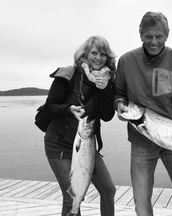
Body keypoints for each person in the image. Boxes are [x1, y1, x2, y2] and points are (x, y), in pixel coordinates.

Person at [114, 12, 172, 216]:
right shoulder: (126, 61)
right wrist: (119, 104)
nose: (154, 42)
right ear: (141, 34)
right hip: (141, 140)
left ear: (166, 36)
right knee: (141, 203)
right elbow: (119, 92)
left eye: (159, 37)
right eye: (148, 36)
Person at [44, 36, 116, 216]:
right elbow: (49, 106)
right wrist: (69, 109)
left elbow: (107, 116)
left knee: (108, 190)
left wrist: (106, 88)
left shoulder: (107, 79)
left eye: (103, 54)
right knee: (72, 197)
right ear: (85, 54)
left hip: (87, 144)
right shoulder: (68, 74)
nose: (98, 58)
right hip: (59, 144)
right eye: (94, 53)